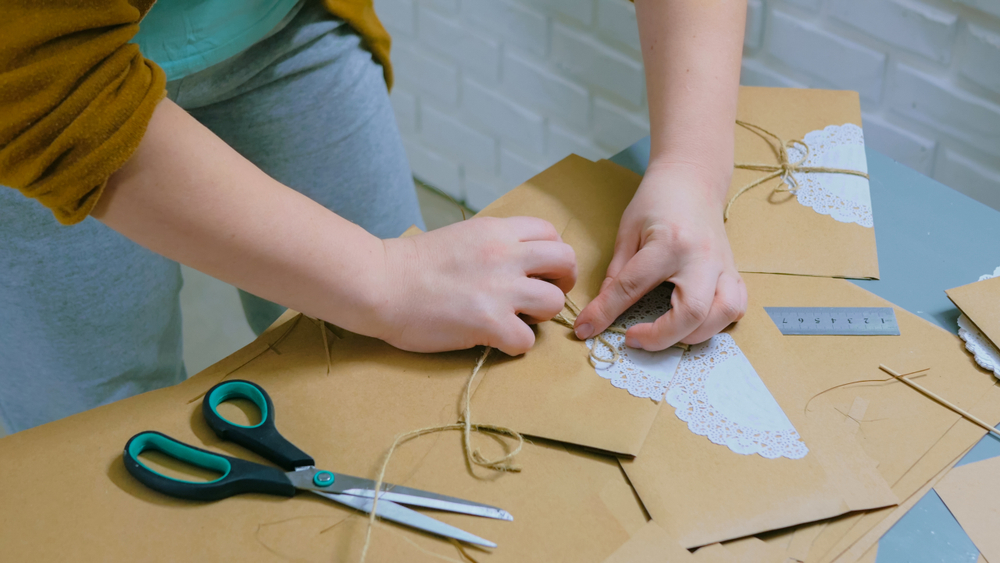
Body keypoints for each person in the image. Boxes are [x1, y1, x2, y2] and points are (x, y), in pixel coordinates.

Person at [0, 0, 746, 433]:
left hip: (280, 29)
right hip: (31, 99)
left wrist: (692, 166)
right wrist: (387, 280)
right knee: (91, 427)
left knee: (399, 384)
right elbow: (36, 67)